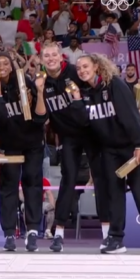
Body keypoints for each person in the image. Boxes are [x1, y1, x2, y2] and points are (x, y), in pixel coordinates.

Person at [75, 54, 140, 255]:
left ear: (96, 66)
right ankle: (116, 238)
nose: (82, 70)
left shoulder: (115, 84)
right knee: (113, 195)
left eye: (85, 66)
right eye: (78, 68)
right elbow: (87, 125)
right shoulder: (84, 92)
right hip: (109, 151)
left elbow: (130, 114)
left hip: (131, 148)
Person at [36, 42, 108, 252]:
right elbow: (40, 117)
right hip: (68, 137)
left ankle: (106, 233)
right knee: (68, 181)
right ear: (41, 60)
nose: (50, 58)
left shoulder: (76, 72)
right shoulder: (42, 81)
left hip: (91, 132)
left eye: (53, 55)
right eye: (46, 56)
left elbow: (96, 91)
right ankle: (58, 234)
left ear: (61, 57)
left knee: (100, 180)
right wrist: (39, 92)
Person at [0, 52, 46, 252]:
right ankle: (9, 233)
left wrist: (36, 92)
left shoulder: (24, 82)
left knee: (33, 184)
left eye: (5, 62)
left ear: (12, 66)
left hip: (33, 144)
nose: (2, 65)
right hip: (9, 145)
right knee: (8, 187)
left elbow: (40, 117)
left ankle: (33, 231)